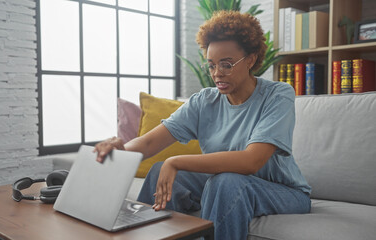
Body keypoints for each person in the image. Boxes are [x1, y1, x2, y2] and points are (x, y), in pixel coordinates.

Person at [94, 10, 311, 240]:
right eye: (211, 65)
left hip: (283, 191)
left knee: (225, 182)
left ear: (251, 59)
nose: (217, 74)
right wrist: (121, 150)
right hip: (230, 183)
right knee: (160, 171)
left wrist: (175, 161)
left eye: (226, 64)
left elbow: (251, 161)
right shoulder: (204, 101)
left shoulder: (278, 95)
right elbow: (150, 141)